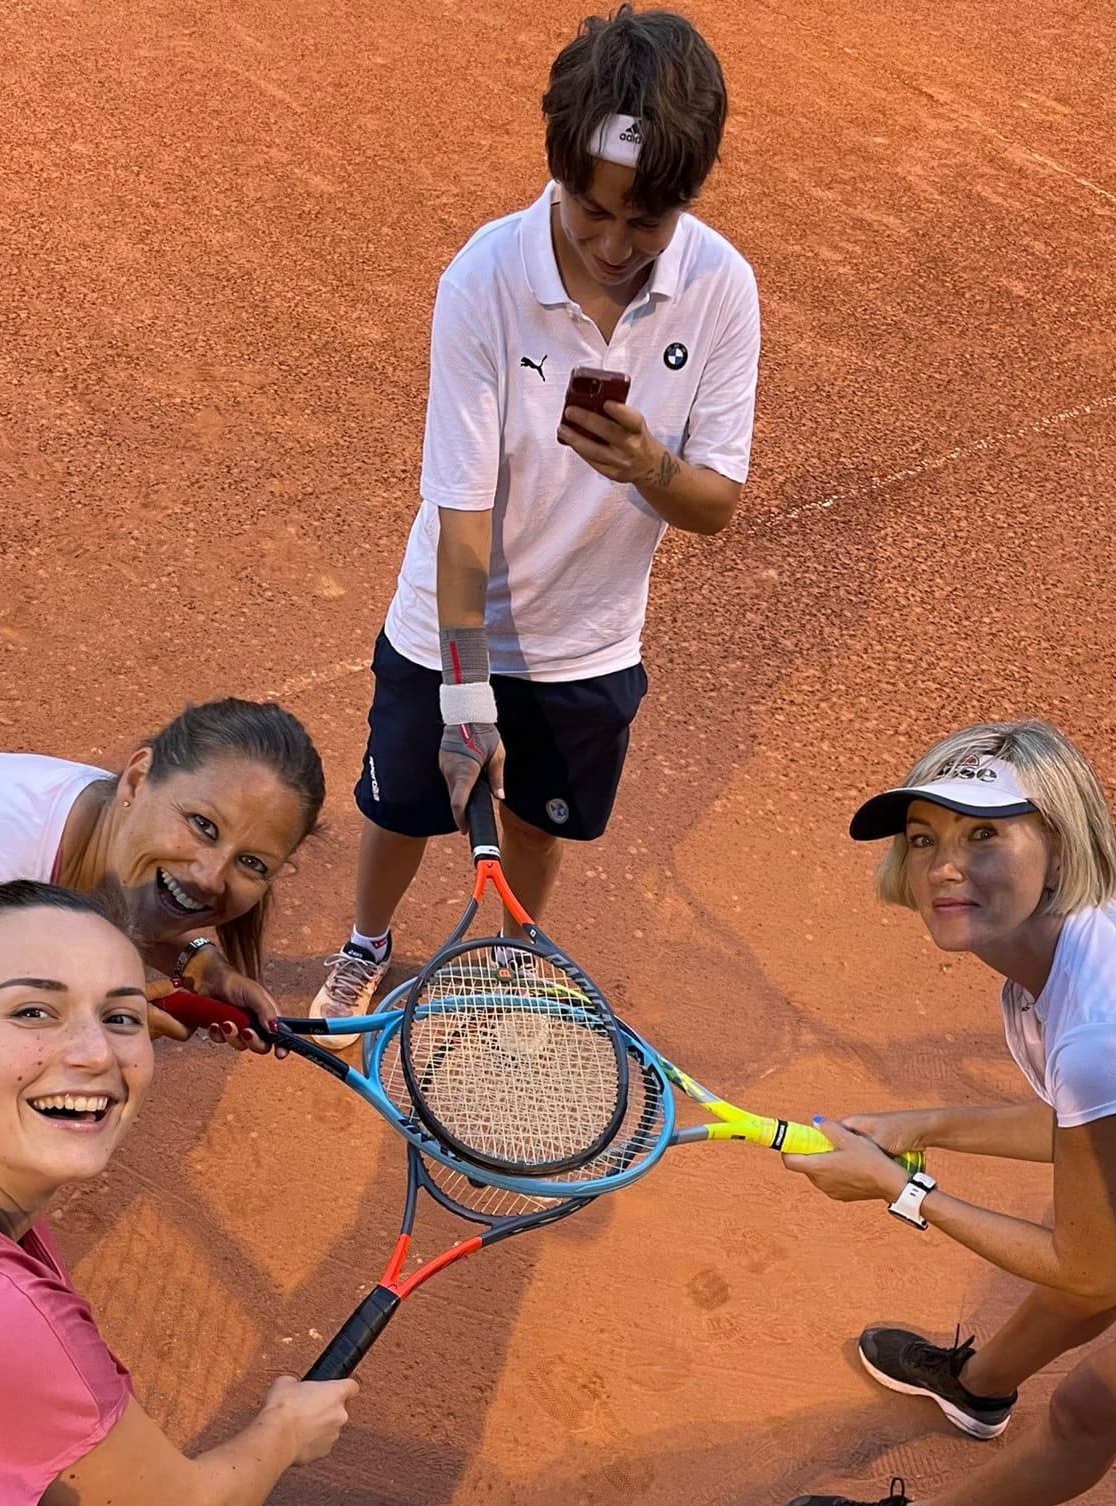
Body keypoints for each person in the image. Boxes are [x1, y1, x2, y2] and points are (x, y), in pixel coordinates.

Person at [311, 4, 760, 1044]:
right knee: (399, 809)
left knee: (536, 825)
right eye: (590, 211)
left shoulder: (722, 290)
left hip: (586, 644)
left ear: (686, 200)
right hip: (447, 624)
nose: (613, 246)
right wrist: (465, 685)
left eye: (645, 223)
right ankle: (368, 940)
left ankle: (515, 954)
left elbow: (716, 506)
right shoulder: (484, 279)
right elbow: (461, 507)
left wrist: (648, 466)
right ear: (556, 171)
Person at [779, 720, 1116, 1506]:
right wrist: (922, 1125)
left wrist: (900, 1190)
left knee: (1089, 1409)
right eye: (924, 838)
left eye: (984, 836)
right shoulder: (1079, 943)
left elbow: (1089, 1270)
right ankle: (977, 1388)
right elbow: (1100, 1127)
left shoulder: (1110, 1026)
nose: (944, 867)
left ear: (1060, 846)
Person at [0, 876, 358, 1506]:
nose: (95, 1052)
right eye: (32, 1011)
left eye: (119, 1018)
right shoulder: (2, 1323)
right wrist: (285, 1430)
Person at [0, 697, 327, 1129]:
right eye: (203, 826)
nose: (210, 877)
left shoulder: (117, 819)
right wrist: (95, 1032)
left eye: (252, 863)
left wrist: (197, 962)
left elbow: (132, 900)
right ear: (136, 780)